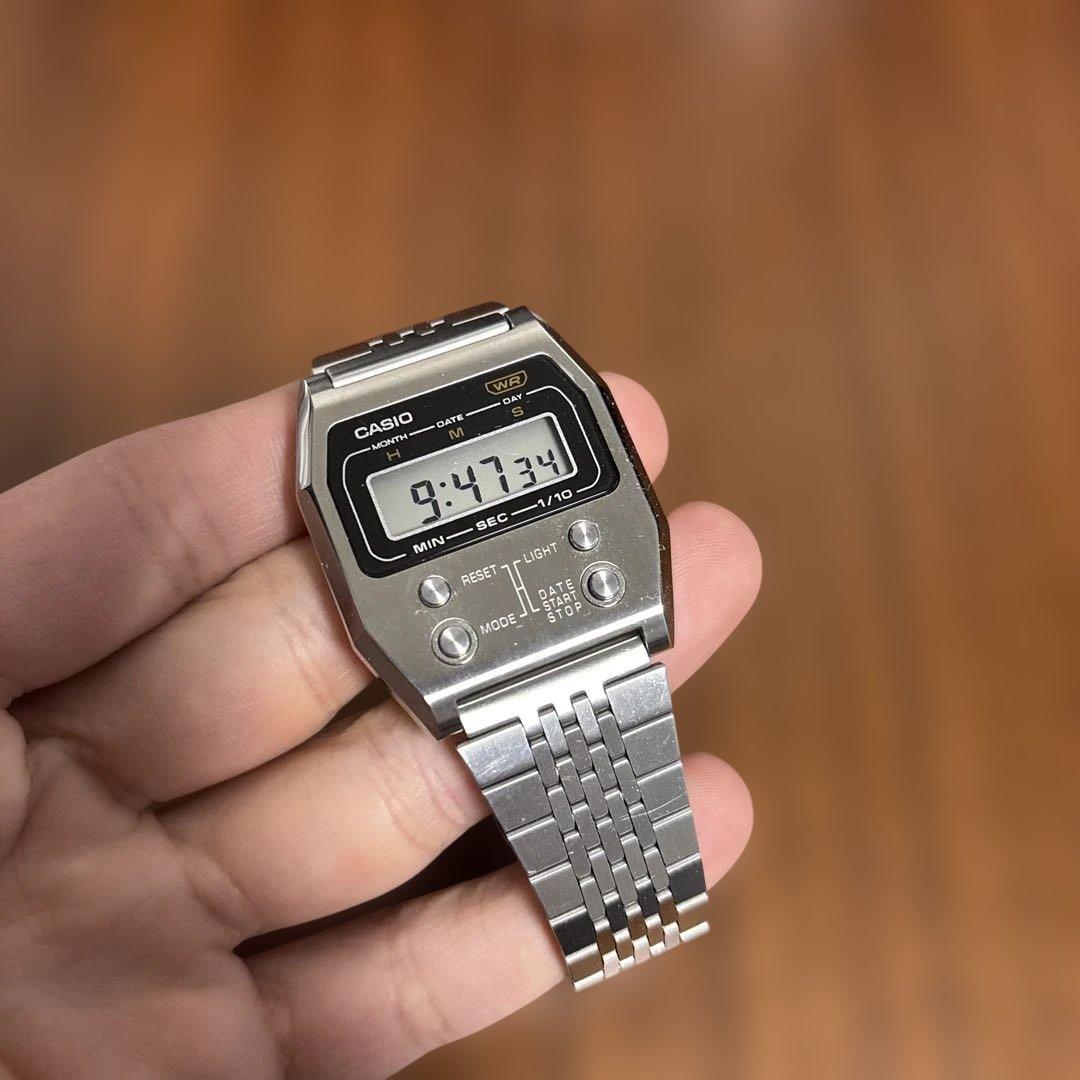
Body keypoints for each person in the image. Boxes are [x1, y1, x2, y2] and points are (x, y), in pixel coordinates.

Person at [0, 373, 760, 1078]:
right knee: (626, 906)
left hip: (585, 637)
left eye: (510, 470)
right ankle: (634, 918)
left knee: (636, 902)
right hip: (492, 669)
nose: (471, 497)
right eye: (435, 496)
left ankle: (636, 916)